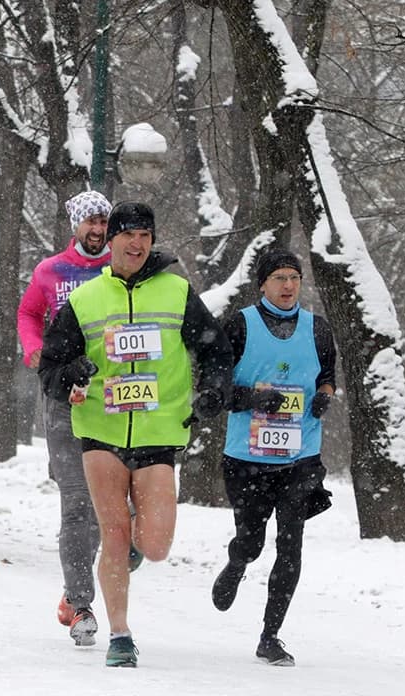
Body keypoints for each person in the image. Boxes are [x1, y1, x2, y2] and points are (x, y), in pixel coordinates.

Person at [39, 202, 232, 667]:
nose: (136, 243)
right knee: (113, 529)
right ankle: (120, 635)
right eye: (127, 234)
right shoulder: (85, 301)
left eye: (145, 234)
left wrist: (213, 392)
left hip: (159, 431)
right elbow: (50, 368)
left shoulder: (177, 292)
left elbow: (216, 350)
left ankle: (130, 552)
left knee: (156, 544)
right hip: (101, 431)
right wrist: (73, 372)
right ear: (112, 241)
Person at [212, 250, 336, 667]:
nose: (287, 286)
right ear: (262, 284)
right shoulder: (239, 326)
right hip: (248, 457)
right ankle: (237, 561)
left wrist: (324, 399)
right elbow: (215, 388)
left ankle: (270, 635)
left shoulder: (317, 329)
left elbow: (327, 377)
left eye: (294, 278)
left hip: (300, 455)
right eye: (279, 277)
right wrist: (252, 397)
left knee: (290, 544)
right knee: (252, 540)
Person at [18, 189, 119, 647]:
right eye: (90, 223)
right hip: (64, 397)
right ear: (75, 226)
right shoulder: (51, 271)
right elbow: (28, 313)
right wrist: (34, 349)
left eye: (104, 223)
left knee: (113, 508)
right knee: (78, 501)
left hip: (115, 396)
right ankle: (81, 603)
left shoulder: (121, 268)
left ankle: (79, 578)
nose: (97, 231)